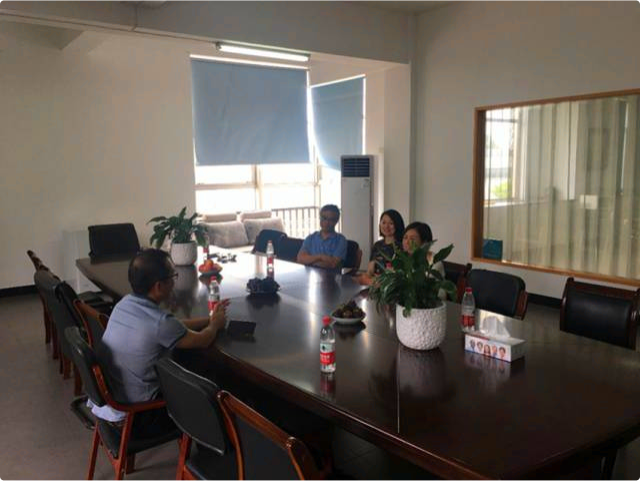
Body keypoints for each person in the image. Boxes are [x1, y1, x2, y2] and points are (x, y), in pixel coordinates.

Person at [94, 248, 228, 435]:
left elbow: (173, 326)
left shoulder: (124, 304)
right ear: (158, 286)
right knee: (212, 380)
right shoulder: (160, 323)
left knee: (185, 362)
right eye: (173, 276)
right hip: (137, 416)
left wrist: (209, 320)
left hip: (110, 405)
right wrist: (215, 325)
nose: (175, 282)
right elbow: (203, 340)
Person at [357, 210, 405, 285]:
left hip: (392, 285)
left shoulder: (402, 246)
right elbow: (370, 271)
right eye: (383, 223)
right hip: (375, 283)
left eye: (391, 223)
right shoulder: (377, 245)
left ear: (397, 225)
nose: (386, 226)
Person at [297, 204, 347, 270]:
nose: (326, 222)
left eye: (331, 220)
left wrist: (310, 260)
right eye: (324, 218)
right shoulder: (311, 238)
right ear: (320, 218)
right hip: (310, 275)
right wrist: (320, 257)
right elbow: (300, 259)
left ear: (336, 221)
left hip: (330, 275)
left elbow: (333, 264)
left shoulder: (341, 240)